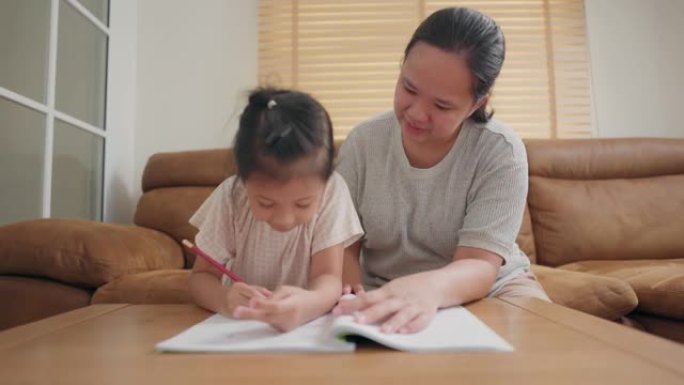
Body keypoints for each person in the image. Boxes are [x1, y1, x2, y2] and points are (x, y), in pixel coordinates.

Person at [333, 7, 550, 334]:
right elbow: (343, 242)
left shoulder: (499, 151)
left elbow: (478, 263)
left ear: (477, 104)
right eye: (409, 88)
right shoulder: (364, 142)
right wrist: (349, 293)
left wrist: (427, 290)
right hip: (385, 288)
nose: (417, 114)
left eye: (442, 105)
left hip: (490, 288)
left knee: (541, 353)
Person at [188, 87, 363, 332]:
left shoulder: (332, 192)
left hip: (305, 329)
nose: (284, 219)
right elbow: (200, 279)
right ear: (243, 178)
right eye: (265, 203)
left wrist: (308, 304)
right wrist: (225, 300)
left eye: (303, 204)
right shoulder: (231, 196)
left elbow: (329, 279)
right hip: (238, 331)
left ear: (325, 179)